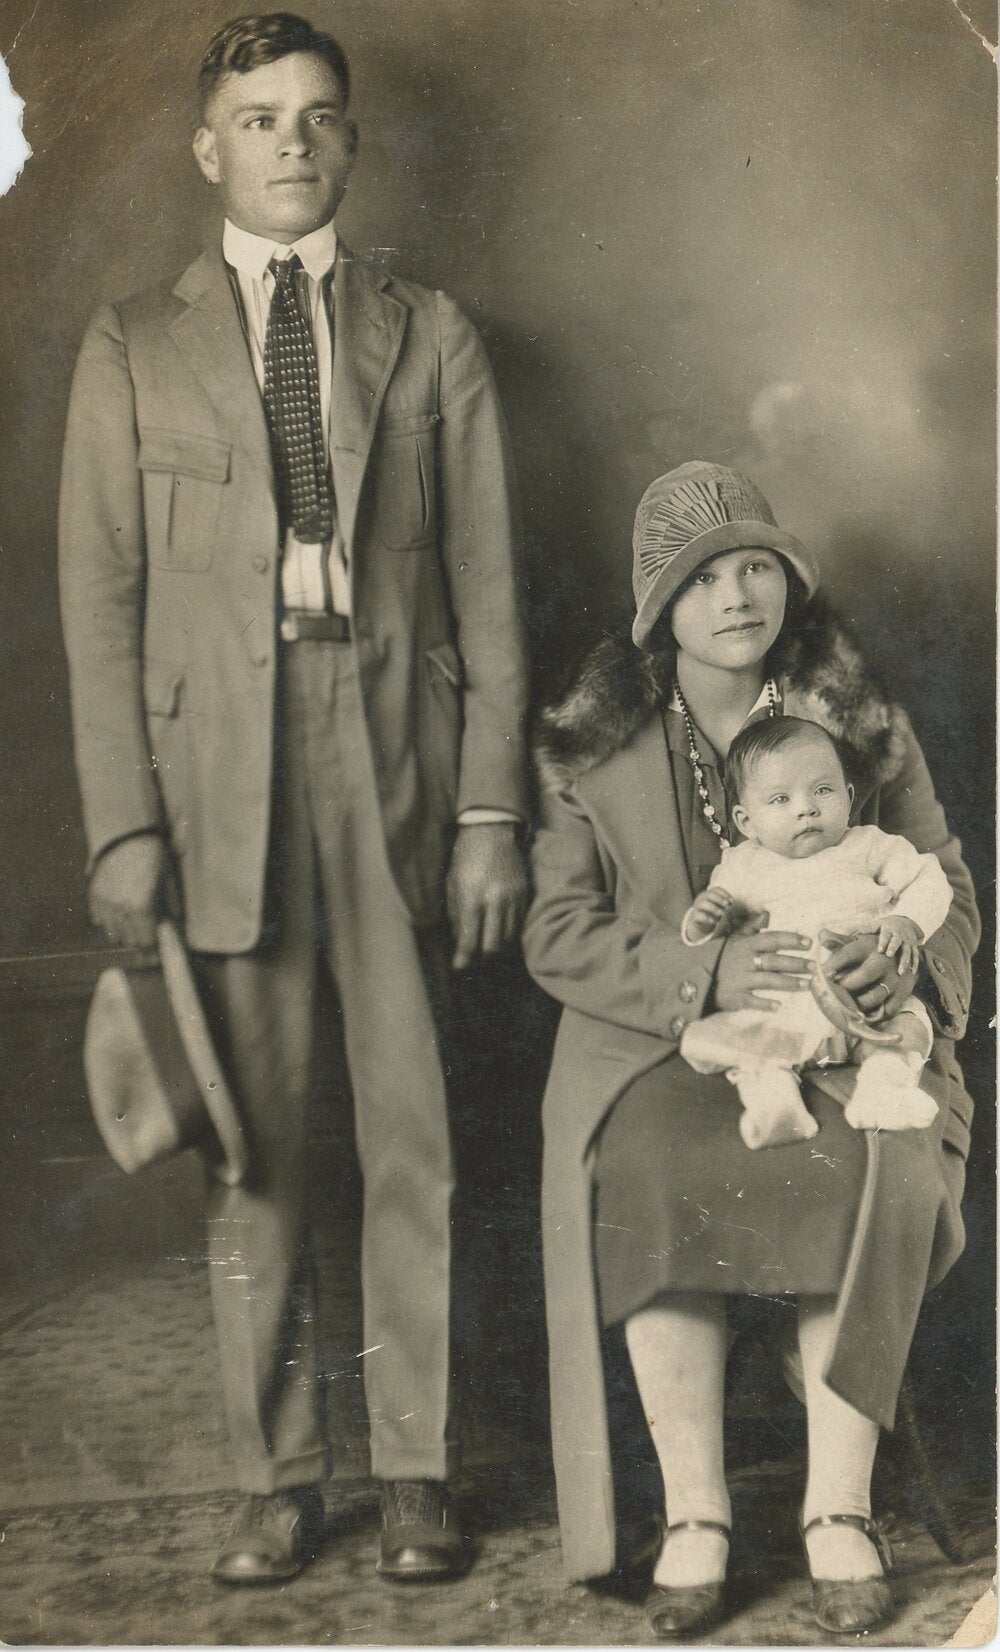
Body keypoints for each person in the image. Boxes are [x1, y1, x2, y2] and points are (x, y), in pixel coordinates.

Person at [59, 12, 529, 1586]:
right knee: (254, 1148)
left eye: (317, 118)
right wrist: (127, 825)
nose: (290, 143)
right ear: (209, 146)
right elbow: (100, 608)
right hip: (215, 784)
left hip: (388, 753)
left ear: (350, 141)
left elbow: (487, 597)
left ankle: (412, 1472)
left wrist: (486, 816)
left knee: (413, 1137)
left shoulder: (427, 335)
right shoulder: (134, 342)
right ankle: (277, 1477)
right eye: (258, 119)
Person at [523, 461, 979, 1636]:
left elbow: (948, 882)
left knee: (876, 1157)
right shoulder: (593, 745)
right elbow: (557, 928)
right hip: (664, 1042)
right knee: (646, 1168)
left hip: (855, 1034)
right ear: (656, 611)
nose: (736, 597)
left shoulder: (857, 718)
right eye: (702, 578)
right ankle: (696, 1513)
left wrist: (907, 954)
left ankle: (838, 1504)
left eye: (756, 567)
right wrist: (698, 971)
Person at [679, 715, 951, 1149]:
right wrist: (704, 920)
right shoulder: (744, 866)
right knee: (756, 1045)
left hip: (868, 1004)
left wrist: (907, 922)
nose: (805, 808)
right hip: (789, 1008)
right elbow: (716, 929)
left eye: (822, 790)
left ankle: (884, 1090)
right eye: (780, 799)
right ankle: (775, 1106)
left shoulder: (869, 846)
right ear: (746, 822)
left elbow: (930, 879)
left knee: (912, 1024)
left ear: (847, 796)